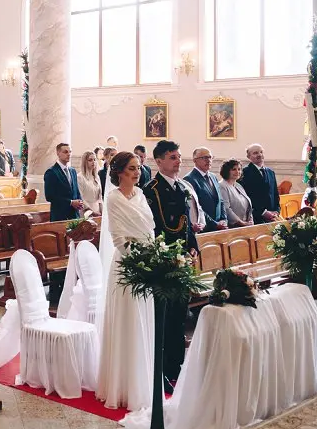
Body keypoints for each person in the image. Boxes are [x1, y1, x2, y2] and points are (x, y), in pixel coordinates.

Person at [95, 151, 156, 410]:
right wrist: (139, 260)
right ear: (119, 172)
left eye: (138, 168)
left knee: (142, 320)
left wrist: (153, 256)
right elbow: (119, 238)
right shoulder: (113, 198)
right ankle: (122, 385)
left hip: (147, 262)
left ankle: (141, 380)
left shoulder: (141, 195)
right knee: (127, 321)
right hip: (127, 265)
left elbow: (150, 227)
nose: (136, 172)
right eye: (131, 168)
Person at [143, 140, 199, 393]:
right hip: (164, 261)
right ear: (159, 161)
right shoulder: (151, 190)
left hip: (182, 259)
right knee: (163, 317)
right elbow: (155, 227)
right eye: (172, 157)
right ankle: (162, 369)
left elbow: (187, 222)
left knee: (179, 315)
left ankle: (177, 365)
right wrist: (172, 253)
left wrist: (193, 245)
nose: (178, 161)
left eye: (178, 156)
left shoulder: (181, 187)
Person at [184, 147, 227, 232]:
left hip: (219, 228)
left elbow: (220, 201)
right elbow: (196, 206)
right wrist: (215, 224)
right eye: (204, 158)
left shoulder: (213, 176)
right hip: (204, 229)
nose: (208, 160)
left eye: (210, 157)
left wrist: (223, 220)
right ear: (194, 160)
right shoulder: (189, 179)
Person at [240, 143, 280, 223]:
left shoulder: (270, 172)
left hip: (273, 217)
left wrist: (277, 211)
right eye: (255, 153)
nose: (259, 155)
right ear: (248, 157)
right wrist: (263, 212)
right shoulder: (244, 173)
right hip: (256, 217)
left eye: (261, 152)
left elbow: (275, 194)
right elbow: (245, 198)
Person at [43, 143, 83, 222]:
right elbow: (49, 196)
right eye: (65, 152)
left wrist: (79, 202)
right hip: (60, 216)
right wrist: (70, 202)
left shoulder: (73, 171)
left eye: (70, 152)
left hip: (74, 215)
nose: (69, 154)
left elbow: (76, 191)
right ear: (58, 153)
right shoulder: (51, 172)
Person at [218, 159, 254, 228]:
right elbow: (226, 208)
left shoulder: (238, 185)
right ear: (226, 171)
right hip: (233, 226)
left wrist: (250, 220)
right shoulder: (222, 186)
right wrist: (241, 223)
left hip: (246, 225)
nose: (237, 172)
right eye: (234, 169)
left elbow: (248, 204)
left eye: (239, 169)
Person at [76, 150, 102, 215]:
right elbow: (80, 198)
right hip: (86, 211)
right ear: (85, 162)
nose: (93, 162)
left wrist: (101, 211)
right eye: (90, 160)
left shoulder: (97, 177)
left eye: (94, 160)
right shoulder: (80, 177)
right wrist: (92, 212)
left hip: (97, 210)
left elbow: (100, 197)